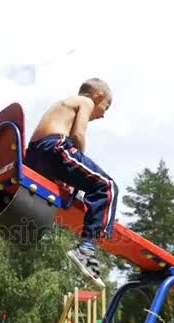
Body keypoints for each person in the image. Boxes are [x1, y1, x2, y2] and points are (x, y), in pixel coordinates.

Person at [24, 77, 118, 288]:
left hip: (36, 155)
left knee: (82, 187)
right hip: (55, 147)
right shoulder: (85, 102)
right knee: (107, 186)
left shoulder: (61, 105)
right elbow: (78, 134)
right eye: (106, 106)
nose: (103, 114)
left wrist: (68, 178)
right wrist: (77, 158)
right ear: (98, 96)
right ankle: (87, 248)